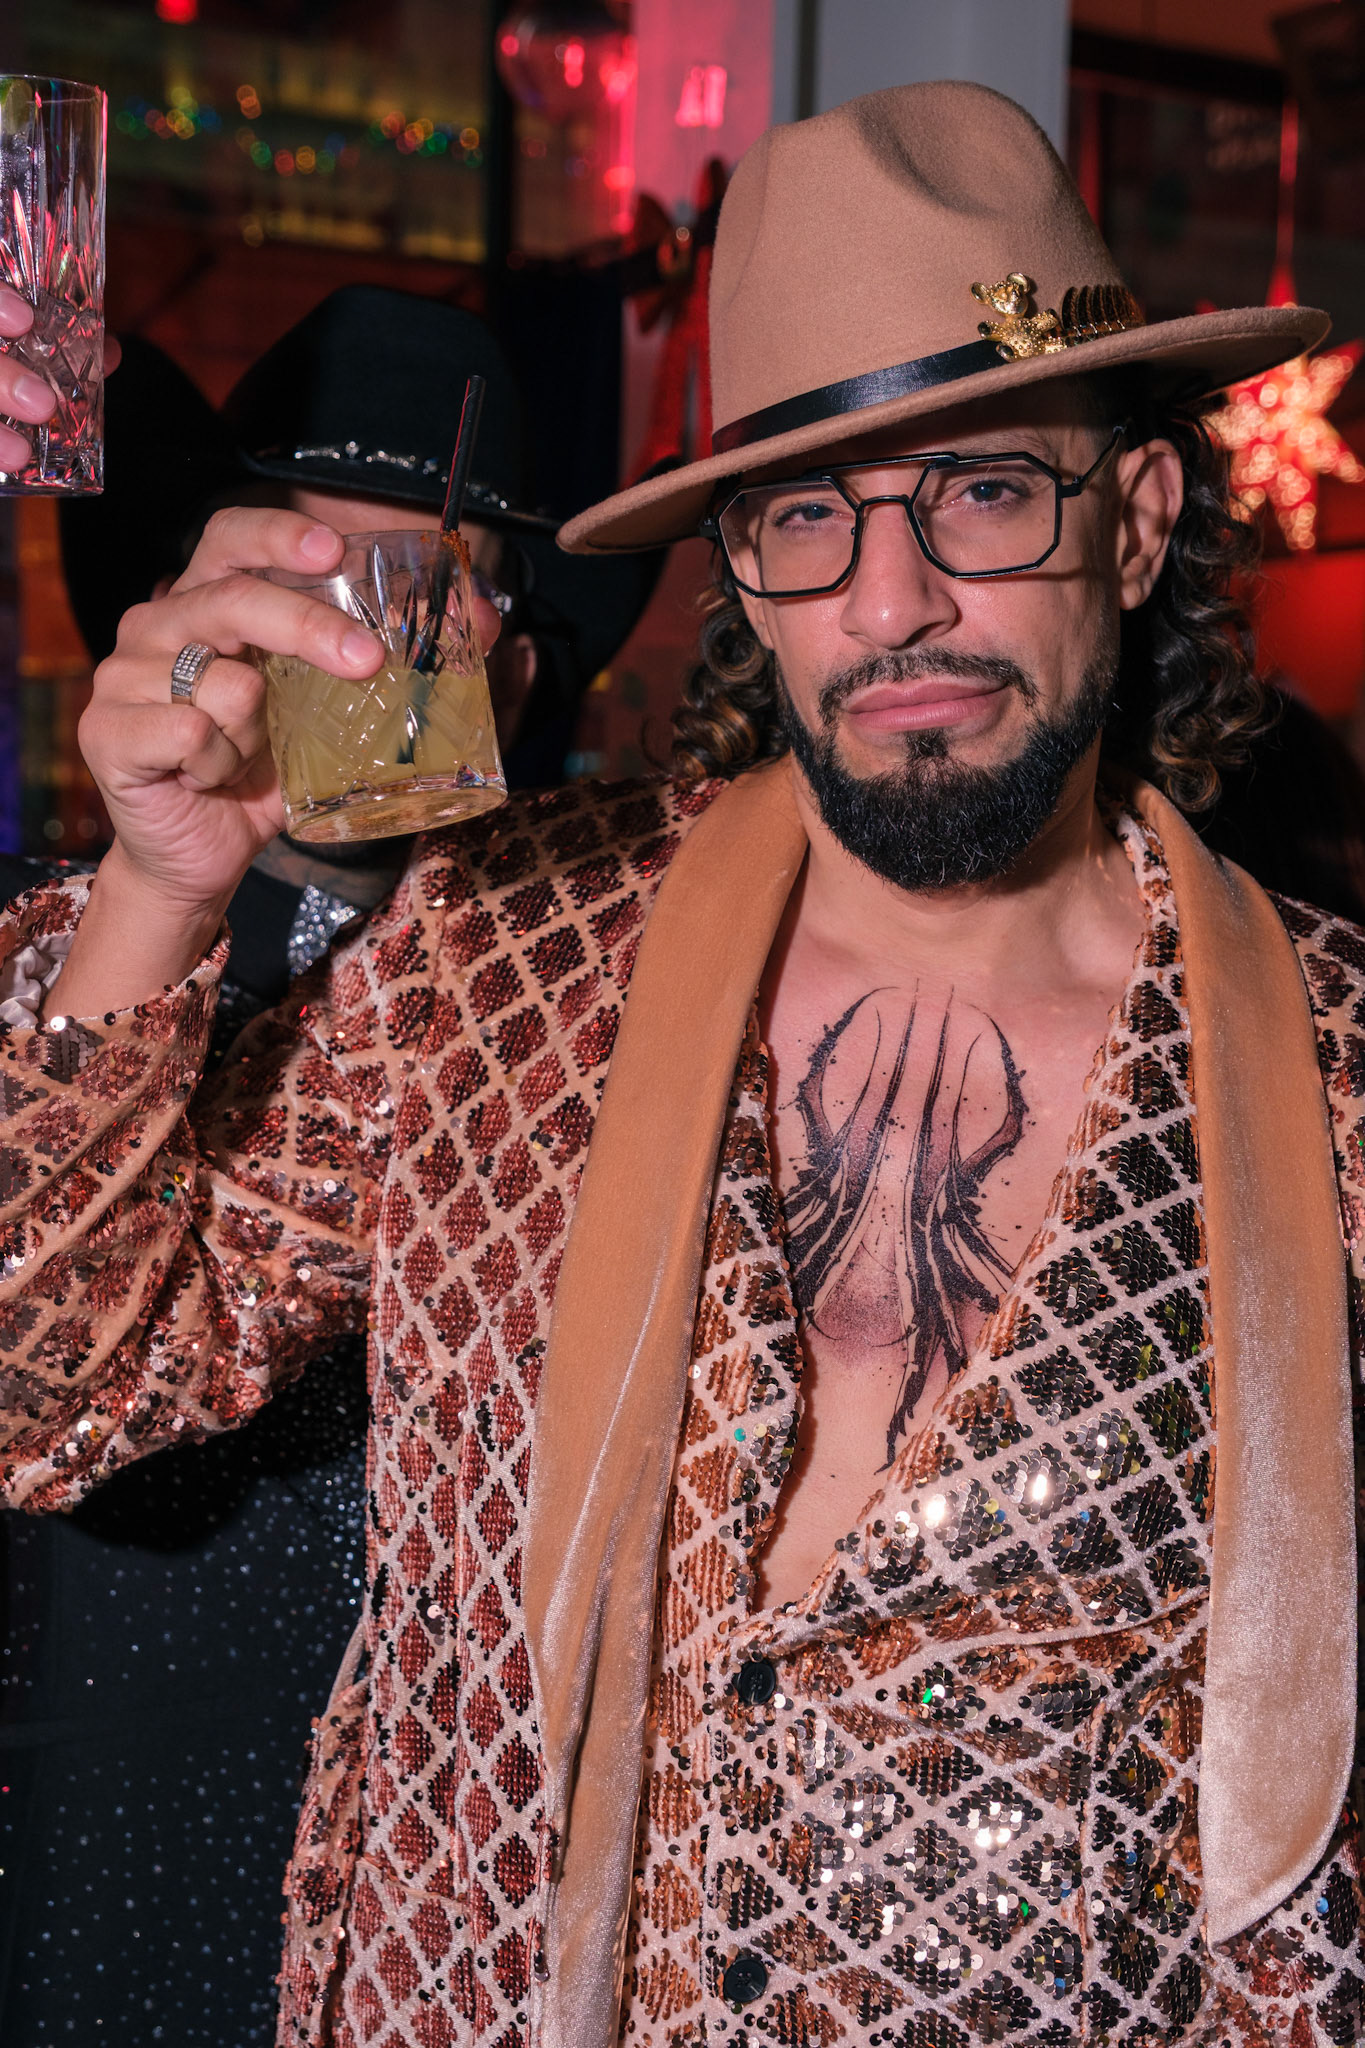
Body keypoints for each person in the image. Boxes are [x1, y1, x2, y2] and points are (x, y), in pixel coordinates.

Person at [0, 79, 1360, 2048]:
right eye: (805, 515)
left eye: (983, 489)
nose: (888, 604)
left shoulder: (1332, 1076)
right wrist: (157, 887)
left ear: (1134, 519)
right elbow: (47, 1398)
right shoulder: (494, 966)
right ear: (738, 571)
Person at [0, 292, 658, 2046]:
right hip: (91, 1823)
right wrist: (159, 889)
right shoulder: (50, 959)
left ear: (520, 673)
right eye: (293, 586)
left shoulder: (614, 981)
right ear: (188, 621)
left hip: (467, 1875)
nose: (354, 648)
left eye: (421, 593)